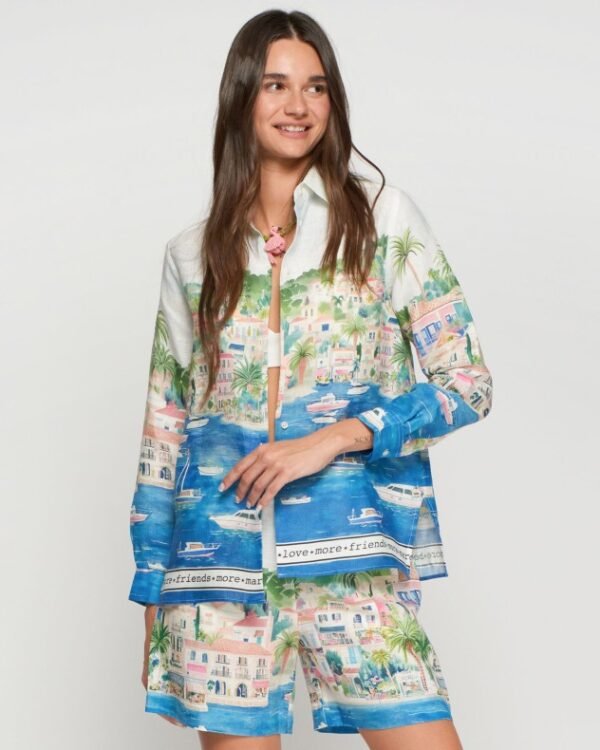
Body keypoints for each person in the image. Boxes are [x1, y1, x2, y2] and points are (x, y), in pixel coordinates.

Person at [128, 9, 493, 749]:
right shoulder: (191, 255)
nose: (298, 105)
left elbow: (468, 382)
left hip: (350, 566)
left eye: (316, 87)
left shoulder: (381, 220)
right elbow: (165, 428)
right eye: (275, 85)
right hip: (217, 581)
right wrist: (153, 595)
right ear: (242, 98)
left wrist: (333, 438)